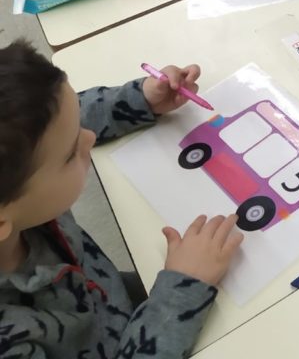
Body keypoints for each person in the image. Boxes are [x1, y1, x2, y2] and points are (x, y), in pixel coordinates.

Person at [0, 39, 243, 357]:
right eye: (71, 153)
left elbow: (55, 122)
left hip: (111, 297)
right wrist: (183, 288)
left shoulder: (18, 192)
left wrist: (139, 99)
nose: (88, 137)